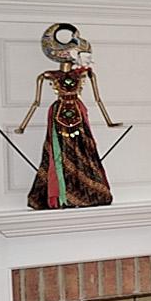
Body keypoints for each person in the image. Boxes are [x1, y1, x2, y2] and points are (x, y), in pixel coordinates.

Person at [13, 22, 120, 209]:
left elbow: (98, 99)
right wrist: (22, 125)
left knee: (84, 150)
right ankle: (62, 194)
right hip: (58, 114)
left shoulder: (86, 74)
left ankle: (86, 190)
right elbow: (36, 102)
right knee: (57, 153)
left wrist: (109, 122)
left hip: (78, 113)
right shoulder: (47, 75)